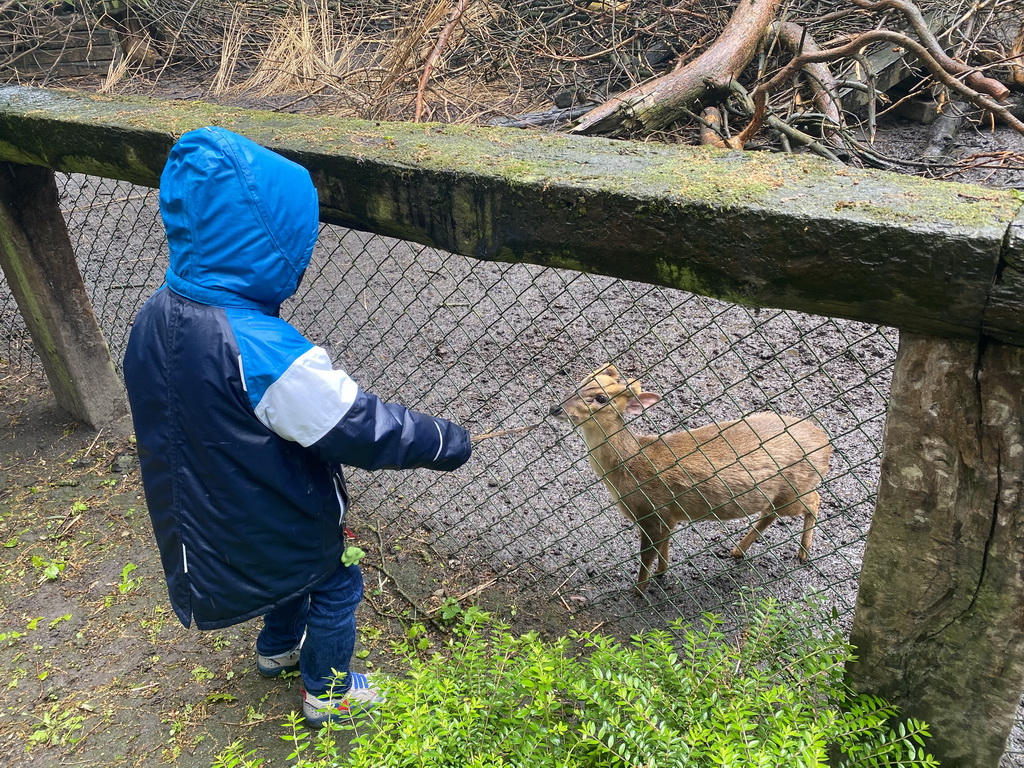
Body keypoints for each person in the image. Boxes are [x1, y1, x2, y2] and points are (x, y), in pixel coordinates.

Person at [123, 126, 472, 727]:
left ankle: (276, 647)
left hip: (215, 513)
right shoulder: (262, 350)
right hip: (278, 511)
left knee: (281, 577)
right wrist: (444, 440)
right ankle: (327, 693)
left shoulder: (155, 315)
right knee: (334, 585)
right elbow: (356, 425)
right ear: (267, 241)